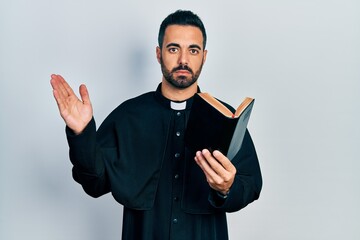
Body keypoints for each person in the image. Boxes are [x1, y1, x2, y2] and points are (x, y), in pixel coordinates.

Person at [50, 10, 262, 240]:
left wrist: (226, 188)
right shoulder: (128, 116)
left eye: (193, 50)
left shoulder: (225, 120)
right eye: (173, 49)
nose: (183, 60)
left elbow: (250, 185)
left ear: (204, 56)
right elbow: (94, 182)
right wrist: (81, 133)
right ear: (159, 54)